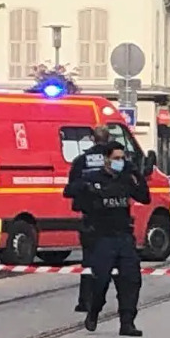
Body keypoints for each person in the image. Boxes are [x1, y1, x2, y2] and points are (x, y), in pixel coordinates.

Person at [67, 141, 151, 336]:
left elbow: (144, 197)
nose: (120, 162)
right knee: (101, 280)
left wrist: (136, 174)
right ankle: (94, 311)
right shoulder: (93, 177)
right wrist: (88, 190)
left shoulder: (126, 179)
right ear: (106, 159)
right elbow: (70, 193)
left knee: (131, 280)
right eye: (116, 158)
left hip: (124, 236)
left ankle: (127, 322)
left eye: (122, 158)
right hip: (102, 237)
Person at [63, 125, 116, 313]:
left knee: (89, 260)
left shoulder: (81, 161)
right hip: (112, 217)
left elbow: (69, 189)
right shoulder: (116, 161)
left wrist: (85, 187)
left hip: (90, 217)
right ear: (109, 139)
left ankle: (85, 300)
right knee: (113, 261)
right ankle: (108, 298)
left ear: (92, 139)